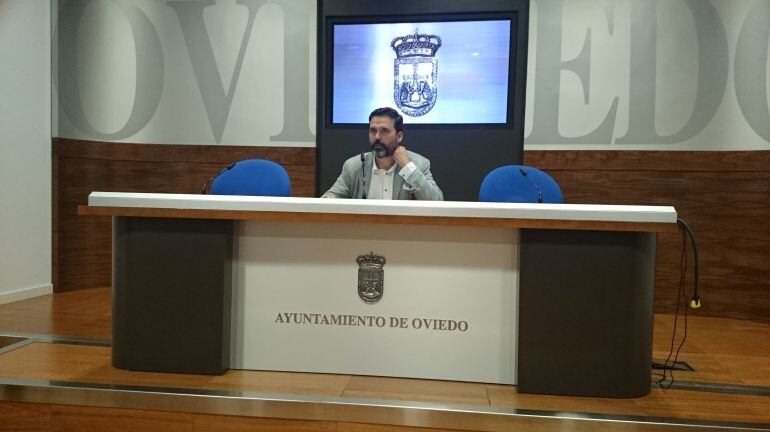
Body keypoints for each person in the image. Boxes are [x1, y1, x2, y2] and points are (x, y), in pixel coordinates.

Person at [322, 107, 443, 200]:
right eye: (373, 131)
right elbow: (332, 195)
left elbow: (436, 201)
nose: (377, 137)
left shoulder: (417, 164)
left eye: (384, 131)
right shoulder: (354, 166)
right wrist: (330, 200)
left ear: (399, 136)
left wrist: (407, 167)